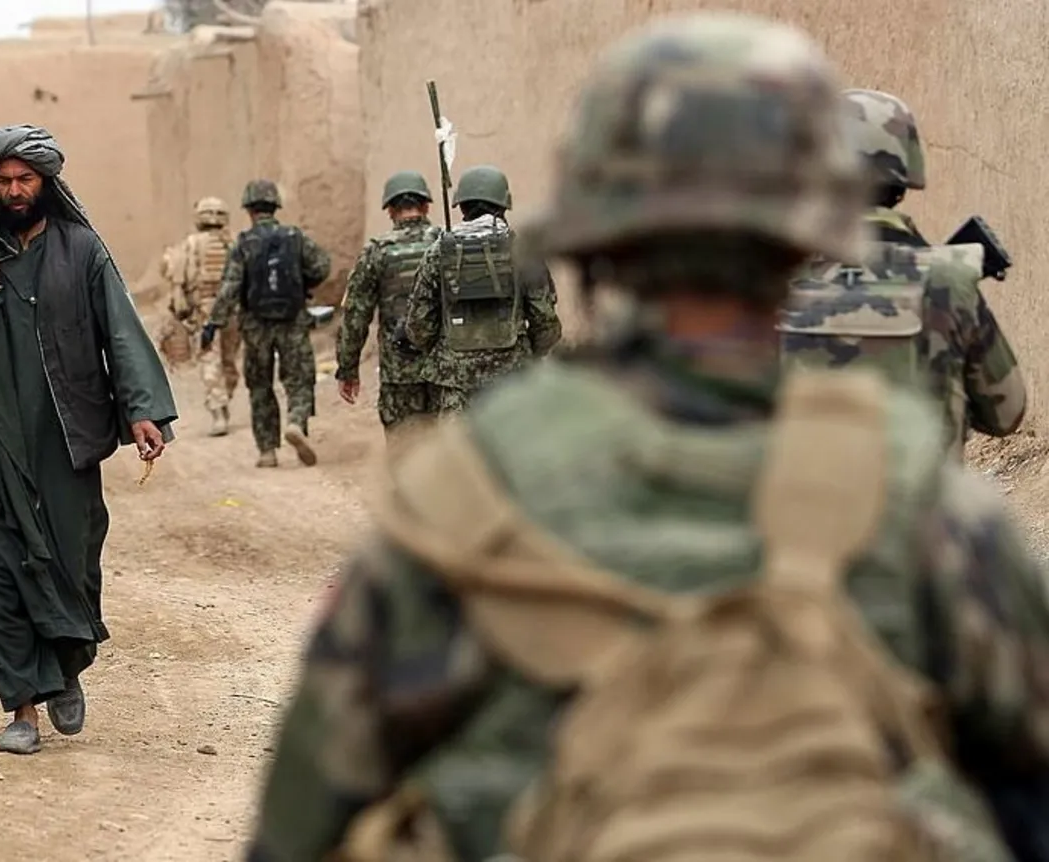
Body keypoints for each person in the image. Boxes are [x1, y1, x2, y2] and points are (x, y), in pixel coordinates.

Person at [246, 14, 1049, 861]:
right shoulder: (932, 510)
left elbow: (299, 827)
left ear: (596, 235)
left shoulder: (459, 499)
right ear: (808, 232)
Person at [0, 125, 178, 756]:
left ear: (46, 182)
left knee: (72, 563)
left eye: (25, 180)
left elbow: (118, 331)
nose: (14, 191)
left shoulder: (82, 250)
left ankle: (67, 667)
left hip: (64, 437)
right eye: (4, 181)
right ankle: (23, 709)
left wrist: (143, 411)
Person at [781, 87, 1026, 456]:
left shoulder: (774, 279)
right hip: (925, 493)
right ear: (904, 170)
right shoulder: (947, 278)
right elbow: (1006, 412)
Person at [400, 165, 562, 414]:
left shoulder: (438, 252)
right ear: (503, 205)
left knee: (459, 442)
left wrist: (444, 351)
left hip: (455, 383)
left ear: (462, 207)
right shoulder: (522, 251)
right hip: (512, 382)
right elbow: (546, 322)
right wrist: (530, 354)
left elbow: (418, 326)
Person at [201, 179, 330, 468]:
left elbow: (230, 288)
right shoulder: (295, 237)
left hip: (255, 325)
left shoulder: (243, 244)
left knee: (260, 386)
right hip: (292, 320)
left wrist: (213, 323)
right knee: (299, 378)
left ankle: (267, 451)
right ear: (275, 207)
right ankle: (296, 421)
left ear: (249, 210)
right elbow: (322, 266)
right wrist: (302, 284)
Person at [335, 171, 443, 457]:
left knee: (403, 452)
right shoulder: (445, 243)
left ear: (390, 210)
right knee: (445, 450)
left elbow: (356, 315)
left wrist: (348, 369)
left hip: (399, 372)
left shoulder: (377, 252)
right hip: (444, 369)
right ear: (426, 206)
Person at [168, 197, 241, 436]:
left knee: (217, 360)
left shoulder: (194, 245)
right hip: (223, 310)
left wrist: (181, 310)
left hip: (213, 311)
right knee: (222, 360)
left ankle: (220, 404)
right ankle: (220, 407)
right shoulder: (231, 243)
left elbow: (178, 283)